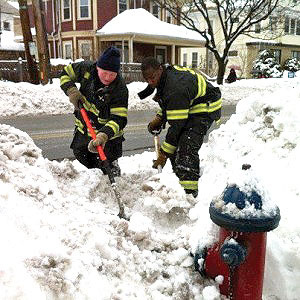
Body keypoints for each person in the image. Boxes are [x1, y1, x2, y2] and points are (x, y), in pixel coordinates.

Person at [139, 57, 222, 198]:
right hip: (189, 104)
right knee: (175, 144)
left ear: (160, 69)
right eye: (147, 79)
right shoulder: (166, 77)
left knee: (186, 147)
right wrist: (160, 117)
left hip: (204, 107)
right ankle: (179, 178)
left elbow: (177, 126)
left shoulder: (175, 86)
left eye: (152, 77)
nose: (151, 82)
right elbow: (171, 104)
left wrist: (163, 153)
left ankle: (189, 194)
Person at [60, 46, 128, 176]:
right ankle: (94, 178)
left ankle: (111, 170)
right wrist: (72, 91)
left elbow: (119, 119)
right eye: (104, 72)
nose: (108, 77)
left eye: (112, 74)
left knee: (106, 165)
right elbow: (65, 74)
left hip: (108, 137)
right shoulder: (86, 69)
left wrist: (103, 135)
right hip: (85, 128)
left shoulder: (120, 89)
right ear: (98, 67)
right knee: (80, 154)